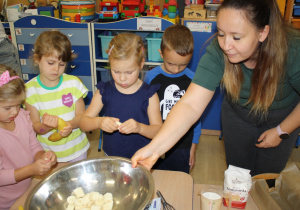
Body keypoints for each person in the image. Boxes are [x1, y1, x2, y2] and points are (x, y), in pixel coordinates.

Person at [132, 0, 300, 176]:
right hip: (238, 114)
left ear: (262, 32)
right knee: (237, 175)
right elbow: (190, 105)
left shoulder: (293, 50)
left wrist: (282, 131)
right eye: (220, 33)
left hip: (283, 116)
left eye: (236, 37)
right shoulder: (218, 52)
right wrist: (154, 149)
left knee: (267, 178)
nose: (226, 46)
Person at [79, 33, 162, 159]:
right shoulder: (104, 91)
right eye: (116, 71)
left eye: (129, 72)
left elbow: (158, 131)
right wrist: (99, 122)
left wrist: (140, 128)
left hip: (142, 157)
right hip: (111, 156)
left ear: (141, 64)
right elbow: (83, 123)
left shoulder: (149, 95)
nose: (122, 78)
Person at [24, 31, 90, 162]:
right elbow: (35, 126)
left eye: (61, 64)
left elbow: (82, 116)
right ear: (37, 59)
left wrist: (69, 125)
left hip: (77, 149)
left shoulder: (73, 83)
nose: (56, 69)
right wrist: (48, 126)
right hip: (49, 152)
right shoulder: (30, 90)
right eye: (51, 63)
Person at [144, 25, 201, 173]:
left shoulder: (192, 79)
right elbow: (144, 110)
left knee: (179, 178)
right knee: (155, 177)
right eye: (171, 64)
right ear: (161, 54)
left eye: (183, 65)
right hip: (157, 139)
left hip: (183, 143)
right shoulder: (151, 77)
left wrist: (193, 146)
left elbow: (196, 116)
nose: (176, 70)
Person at [0, 65, 57, 209]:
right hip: (5, 202)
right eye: (8, 108)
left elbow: (33, 145)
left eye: (18, 105)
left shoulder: (21, 117)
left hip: (26, 188)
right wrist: (32, 169)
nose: (14, 112)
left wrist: (43, 157)